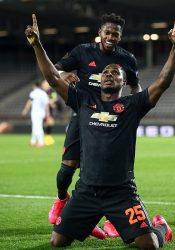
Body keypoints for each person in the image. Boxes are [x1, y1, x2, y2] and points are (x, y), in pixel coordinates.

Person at [26, 13, 175, 248]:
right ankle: (81, 216)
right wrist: (37, 43)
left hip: (122, 193)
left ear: (124, 82)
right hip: (86, 192)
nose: (109, 75)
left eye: (115, 73)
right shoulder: (82, 102)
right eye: (106, 73)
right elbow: (51, 77)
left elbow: (162, 82)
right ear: (99, 80)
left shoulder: (132, 106)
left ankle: (161, 225)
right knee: (57, 242)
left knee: (149, 245)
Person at [48, 13, 142, 238]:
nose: (111, 37)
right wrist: (66, 75)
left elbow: (135, 89)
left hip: (111, 121)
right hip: (82, 117)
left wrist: (134, 112)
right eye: (107, 32)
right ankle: (63, 199)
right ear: (99, 33)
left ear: (120, 37)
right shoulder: (82, 51)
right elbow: (56, 71)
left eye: (115, 34)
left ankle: (111, 218)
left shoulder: (128, 59)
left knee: (109, 170)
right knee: (66, 169)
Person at [21, 81, 49, 147]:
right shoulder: (43, 93)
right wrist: (47, 113)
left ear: (35, 86)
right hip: (42, 112)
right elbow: (46, 105)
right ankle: (33, 141)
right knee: (35, 126)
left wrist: (25, 110)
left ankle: (41, 142)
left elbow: (29, 102)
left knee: (37, 127)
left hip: (35, 112)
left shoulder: (33, 93)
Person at [41, 79, 57, 146]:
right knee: (46, 124)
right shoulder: (41, 92)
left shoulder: (51, 91)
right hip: (42, 110)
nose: (45, 85)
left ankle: (48, 138)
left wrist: (51, 102)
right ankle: (46, 138)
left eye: (46, 84)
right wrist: (49, 102)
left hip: (49, 110)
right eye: (44, 84)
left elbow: (55, 98)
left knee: (50, 123)